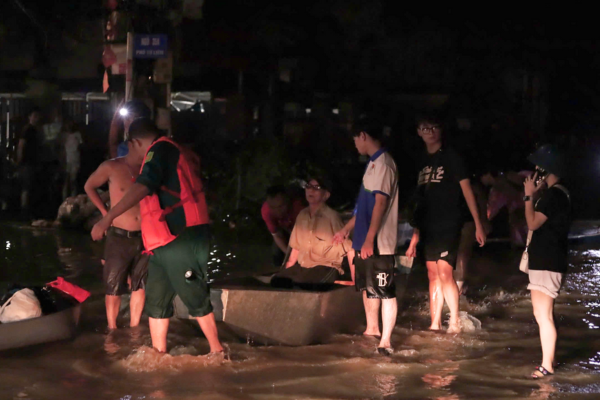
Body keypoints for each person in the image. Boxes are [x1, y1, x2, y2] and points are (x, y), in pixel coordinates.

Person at [91, 118, 223, 355]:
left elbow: (144, 185)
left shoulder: (160, 150)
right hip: (159, 243)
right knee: (156, 301)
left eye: (131, 147)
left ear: (135, 142)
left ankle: (217, 351)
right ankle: (158, 354)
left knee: (194, 295)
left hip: (181, 238)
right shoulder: (167, 151)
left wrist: (107, 218)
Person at [406, 115, 486, 334]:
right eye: (424, 128)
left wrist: (478, 223)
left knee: (445, 272)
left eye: (433, 127)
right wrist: (415, 236)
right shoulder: (421, 160)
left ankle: (454, 322)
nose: (429, 131)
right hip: (428, 225)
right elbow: (419, 202)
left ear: (440, 130)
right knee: (432, 274)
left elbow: (467, 190)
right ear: (418, 132)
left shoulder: (452, 157)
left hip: (449, 222)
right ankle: (435, 322)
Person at [333, 117, 400, 355]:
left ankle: (386, 341)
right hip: (364, 240)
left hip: (379, 242)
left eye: (354, 139)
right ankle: (372, 330)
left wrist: (371, 238)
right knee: (368, 288)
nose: (354, 144)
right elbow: (364, 208)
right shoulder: (372, 164)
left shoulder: (384, 163)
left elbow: (380, 204)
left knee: (384, 290)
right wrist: (346, 229)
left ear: (362, 135)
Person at [84, 132, 147, 331]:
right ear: (132, 144)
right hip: (119, 234)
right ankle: (112, 329)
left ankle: (134, 328)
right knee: (113, 286)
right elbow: (89, 186)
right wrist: (105, 213)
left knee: (140, 284)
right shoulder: (111, 166)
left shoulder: (149, 169)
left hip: (145, 236)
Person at [523, 145, 570, 379]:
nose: (535, 172)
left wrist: (528, 196)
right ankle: (547, 362)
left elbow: (532, 223)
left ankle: (547, 365)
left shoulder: (554, 195)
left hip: (547, 261)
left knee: (544, 315)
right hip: (548, 260)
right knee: (542, 314)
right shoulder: (558, 193)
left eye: (538, 168)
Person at [271, 176, 353, 288]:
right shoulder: (302, 215)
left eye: (316, 187)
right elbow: (296, 247)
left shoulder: (331, 217)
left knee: (304, 282)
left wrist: (354, 280)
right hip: (304, 267)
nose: (311, 190)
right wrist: (287, 268)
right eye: (308, 186)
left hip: (325, 267)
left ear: (326, 195)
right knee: (278, 281)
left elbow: (349, 248)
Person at [261, 185, 305, 267]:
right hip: (285, 230)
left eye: (280, 206)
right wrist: (288, 254)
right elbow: (277, 235)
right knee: (277, 252)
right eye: (273, 207)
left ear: (287, 201)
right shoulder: (266, 211)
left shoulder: (299, 208)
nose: (277, 211)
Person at [16, 108, 42, 219]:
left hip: (32, 162)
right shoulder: (27, 130)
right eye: (34, 116)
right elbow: (21, 145)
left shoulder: (35, 130)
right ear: (29, 117)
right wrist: (20, 160)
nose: (36, 118)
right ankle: (24, 211)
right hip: (27, 162)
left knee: (30, 186)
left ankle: (27, 210)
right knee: (27, 187)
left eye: (38, 116)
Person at [62, 120, 83, 200]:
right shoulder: (64, 135)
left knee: (73, 181)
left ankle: (72, 200)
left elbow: (81, 146)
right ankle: (64, 200)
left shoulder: (77, 135)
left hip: (75, 160)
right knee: (66, 181)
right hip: (66, 161)